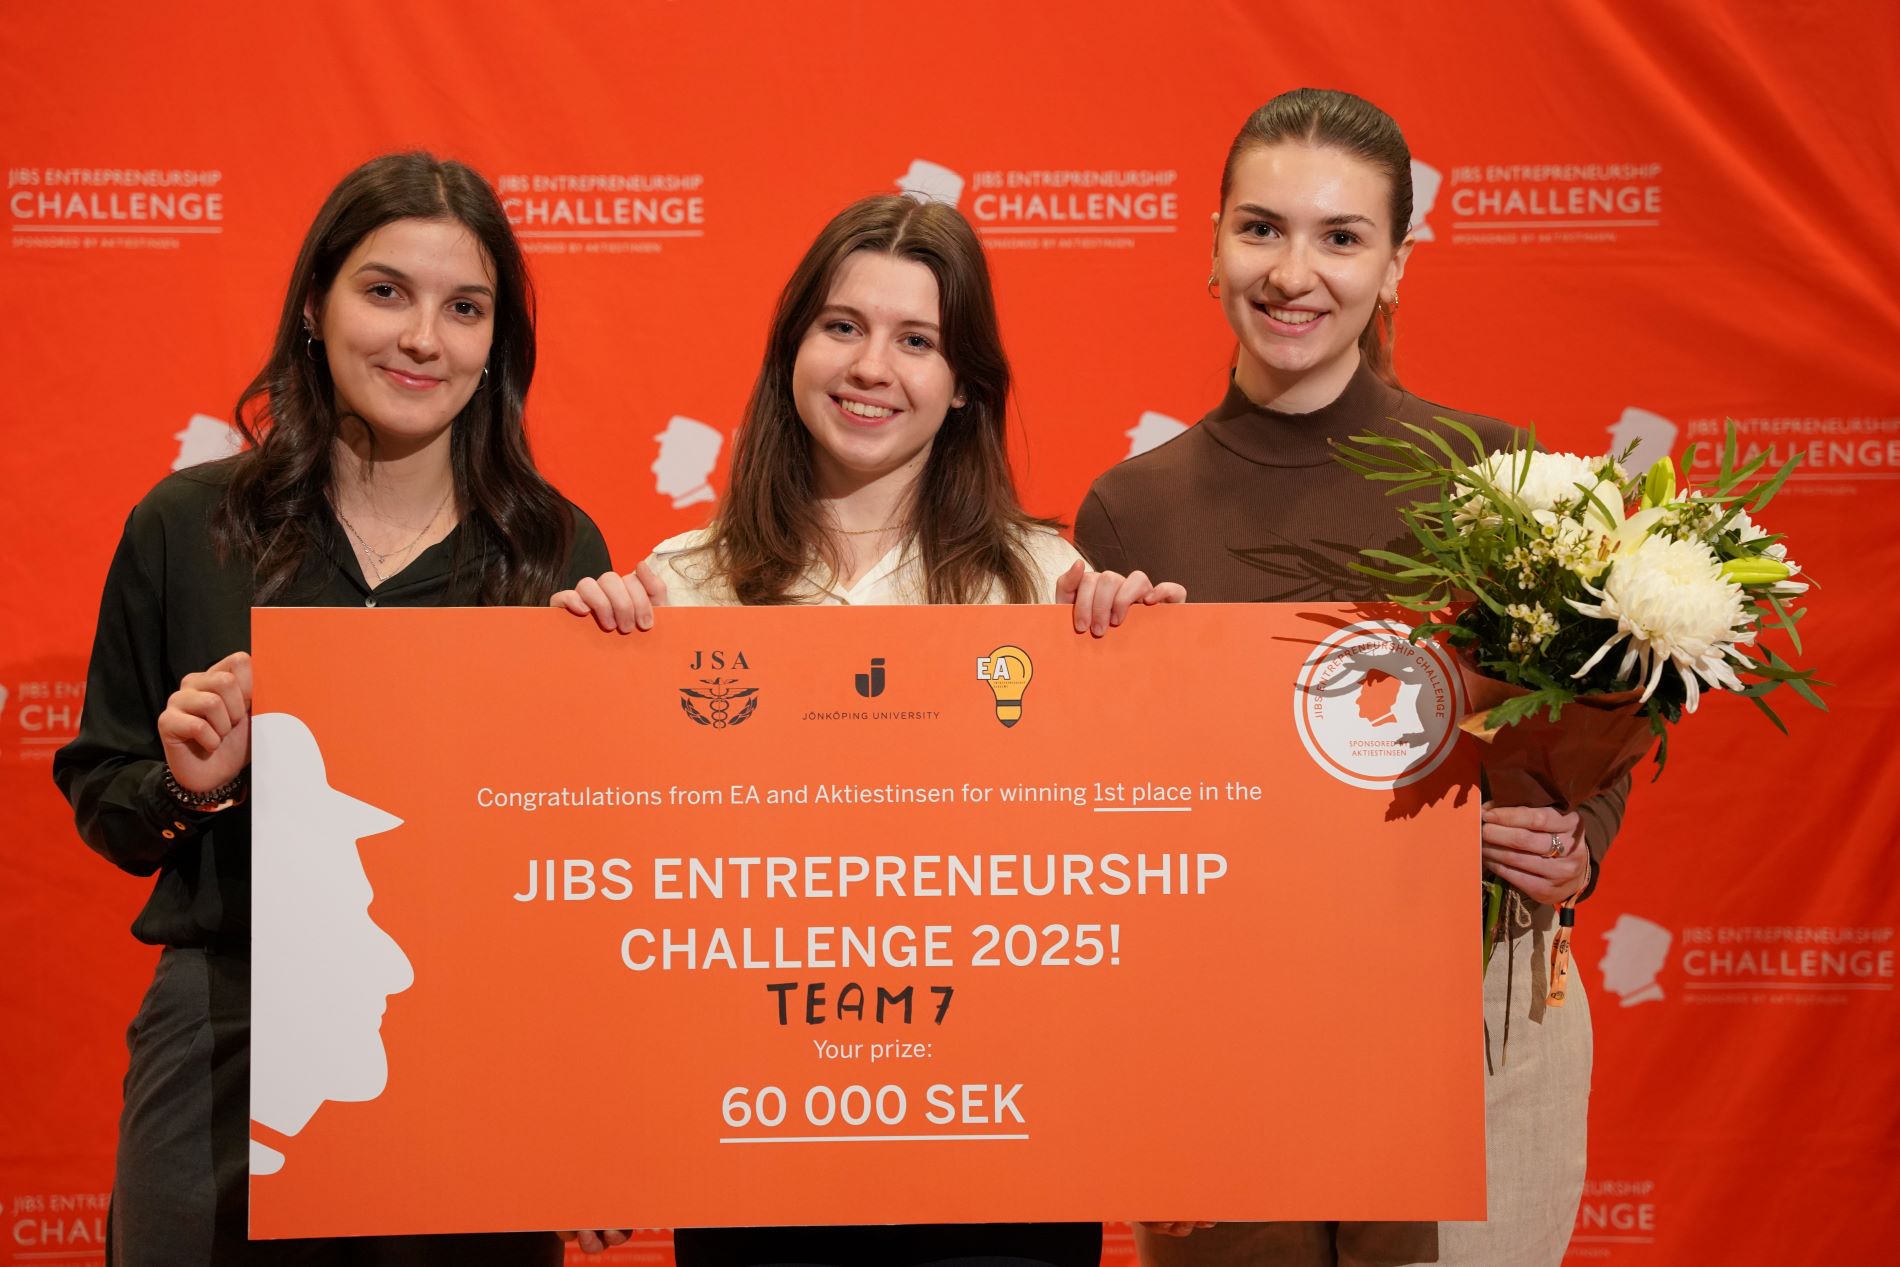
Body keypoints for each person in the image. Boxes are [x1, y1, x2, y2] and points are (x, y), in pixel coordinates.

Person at [555, 193, 1184, 1266]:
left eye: (917, 340)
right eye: (841, 326)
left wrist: (1154, 672)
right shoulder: (677, 587)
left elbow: (1133, 882)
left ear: (964, 384)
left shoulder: (1048, 585)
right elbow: (608, 888)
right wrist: (575, 672)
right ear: (791, 348)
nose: (870, 367)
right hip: (754, 1158)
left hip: (1004, 1164)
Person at [1073, 89, 1629, 1267]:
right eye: (1260, 229)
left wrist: (1574, 839)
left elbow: (1595, 709)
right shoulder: (1130, 508)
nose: (1293, 273)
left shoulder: (1495, 471)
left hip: (1477, 1019)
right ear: (1212, 245)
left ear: (1396, 266)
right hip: (1225, 1024)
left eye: (1340, 236)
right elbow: (1113, 802)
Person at [54, 152, 610, 1266]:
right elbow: (111, 801)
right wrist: (188, 787)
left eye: (465, 308)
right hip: (227, 1032)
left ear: (496, 342)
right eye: (386, 291)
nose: (423, 339)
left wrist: (585, 1108)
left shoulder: (554, 552)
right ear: (315, 304)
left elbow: (591, 860)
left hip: (470, 1045)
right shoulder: (189, 525)